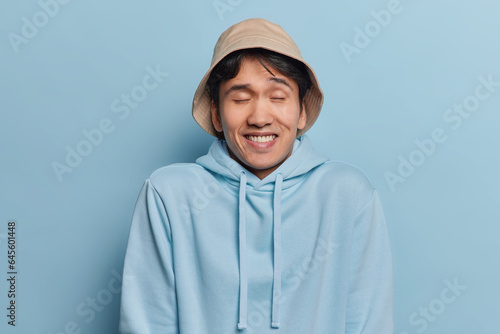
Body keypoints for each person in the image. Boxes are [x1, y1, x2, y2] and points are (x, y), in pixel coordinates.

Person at [119, 18, 393, 333]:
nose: (260, 118)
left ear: (302, 111)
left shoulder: (347, 193)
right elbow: (148, 323)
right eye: (240, 98)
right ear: (215, 114)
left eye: (278, 97)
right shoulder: (169, 195)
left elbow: (368, 322)